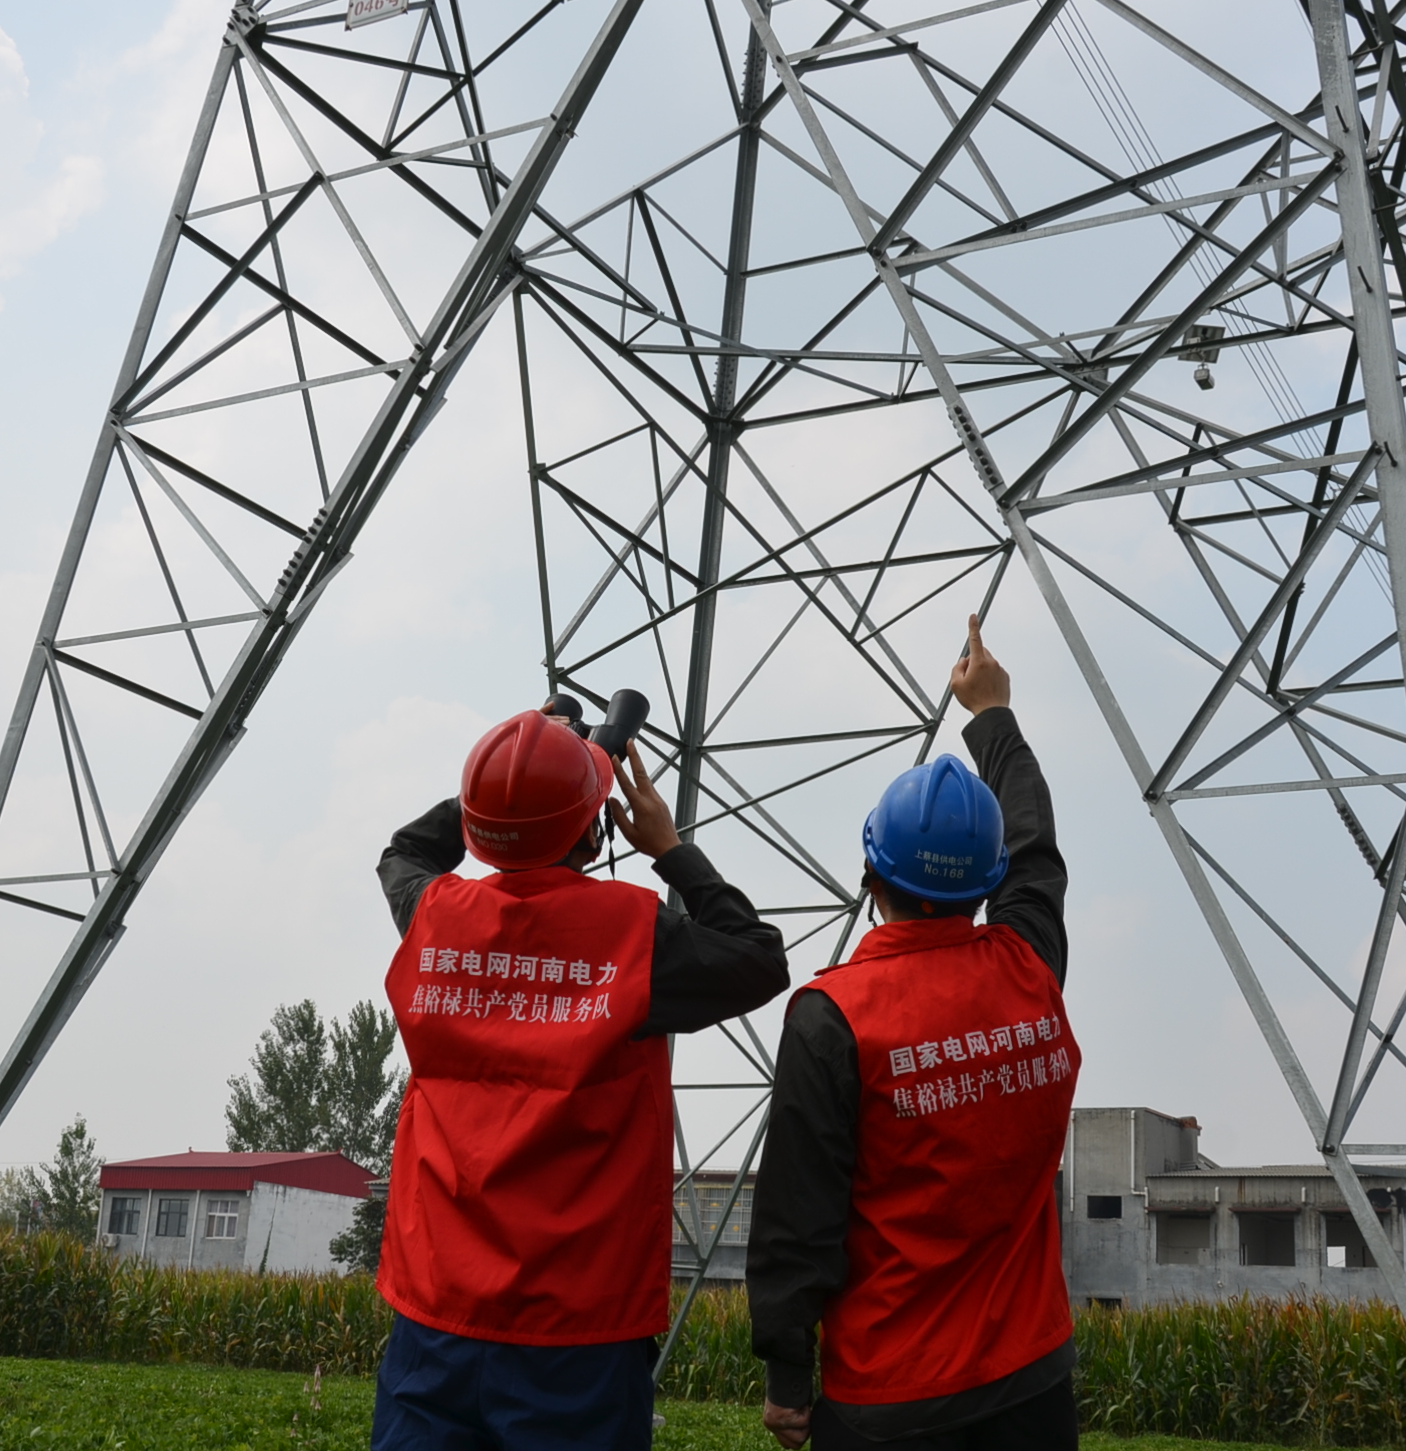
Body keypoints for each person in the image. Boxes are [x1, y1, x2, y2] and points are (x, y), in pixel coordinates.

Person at [373, 704, 791, 1451]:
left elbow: (405, 850)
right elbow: (758, 957)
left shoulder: (436, 915)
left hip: (434, 1311)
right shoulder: (635, 934)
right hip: (579, 1327)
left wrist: (510, 779)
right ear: (594, 829)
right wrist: (669, 851)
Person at [747, 615, 1078, 1451]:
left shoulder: (836, 1017)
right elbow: (1036, 852)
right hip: (1035, 1384)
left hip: (890, 1402)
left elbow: (796, 1217)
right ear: (988, 881)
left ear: (870, 874)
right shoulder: (1029, 969)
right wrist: (993, 717)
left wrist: (789, 1377)